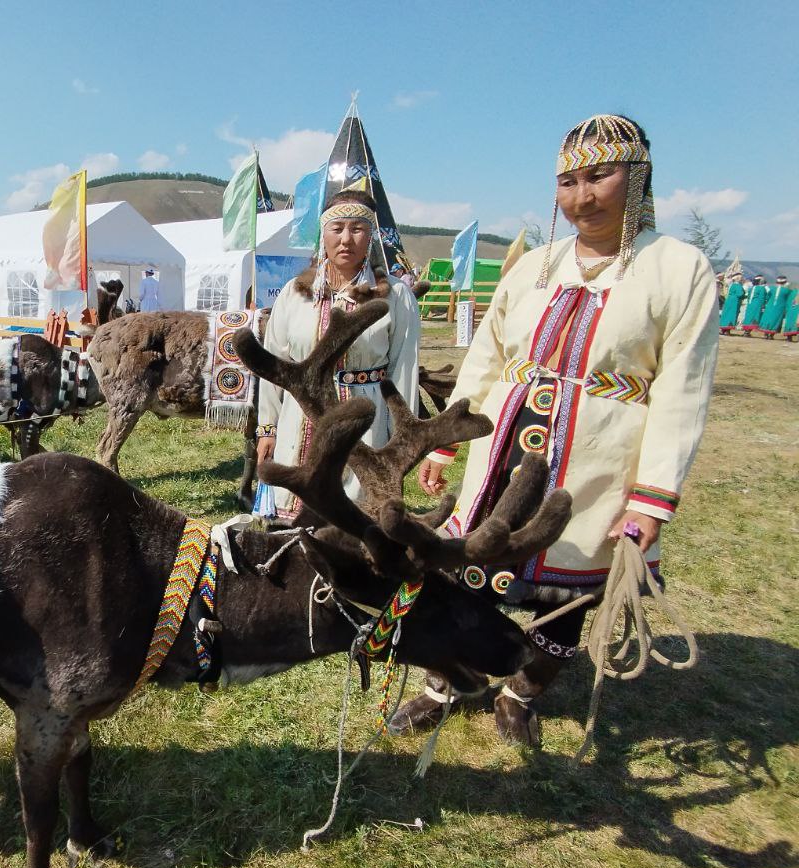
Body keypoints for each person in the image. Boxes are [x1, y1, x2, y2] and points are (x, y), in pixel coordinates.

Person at [401, 114, 719, 746]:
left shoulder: (679, 269)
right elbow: (488, 359)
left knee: (563, 598)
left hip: (598, 466)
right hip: (503, 456)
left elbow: (683, 393)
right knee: (467, 574)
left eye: (599, 176)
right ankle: (446, 684)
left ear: (638, 177)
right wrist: (445, 436)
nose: (582, 196)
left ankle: (523, 690)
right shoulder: (533, 268)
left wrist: (651, 498)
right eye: (568, 181)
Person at [256, 189, 420, 521]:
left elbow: (405, 369)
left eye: (357, 228)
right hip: (300, 417)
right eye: (337, 228)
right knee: (296, 521)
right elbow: (275, 365)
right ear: (324, 233)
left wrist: (402, 440)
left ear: (371, 235)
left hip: (366, 418)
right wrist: (267, 429)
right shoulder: (295, 293)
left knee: (356, 524)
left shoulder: (397, 296)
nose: (346, 239)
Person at [758, 275, 792, 340]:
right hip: (780, 307)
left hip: (770, 306)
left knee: (767, 318)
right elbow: (789, 300)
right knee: (776, 319)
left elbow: (768, 297)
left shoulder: (772, 289)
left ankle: (766, 334)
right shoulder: (787, 291)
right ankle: (771, 335)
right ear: (785, 282)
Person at [718, 269, 745, 335]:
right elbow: (740, 294)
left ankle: (723, 330)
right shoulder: (738, 286)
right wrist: (745, 295)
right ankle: (727, 331)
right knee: (731, 315)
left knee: (726, 314)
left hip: (729, 301)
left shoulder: (732, 285)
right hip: (734, 302)